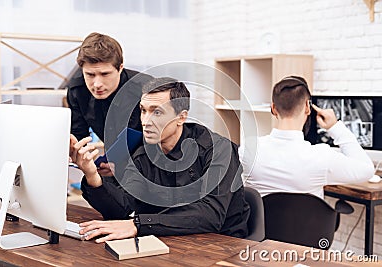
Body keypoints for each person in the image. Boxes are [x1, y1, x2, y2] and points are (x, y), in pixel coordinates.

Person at [70, 77, 250, 242]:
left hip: (223, 242)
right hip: (169, 238)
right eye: (143, 111)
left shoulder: (219, 149)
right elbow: (123, 206)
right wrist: (92, 175)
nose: (145, 121)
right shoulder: (143, 152)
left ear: (181, 117)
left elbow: (211, 214)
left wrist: (139, 224)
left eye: (156, 112)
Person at [239, 76, 374, 199]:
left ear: (273, 108)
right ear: (307, 108)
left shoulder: (248, 149)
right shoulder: (322, 156)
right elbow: (366, 170)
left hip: (262, 226)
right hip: (310, 226)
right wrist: (335, 127)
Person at [67, 32, 149, 176]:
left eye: (105, 74)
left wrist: (128, 165)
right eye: (90, 75)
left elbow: (164, 141)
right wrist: (88, 162)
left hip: (151, 166)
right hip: (110, 163)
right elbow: (79, 135)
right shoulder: (76, 90)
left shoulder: (146, 89)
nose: (97, 84)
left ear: (120, 67)